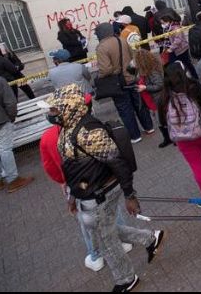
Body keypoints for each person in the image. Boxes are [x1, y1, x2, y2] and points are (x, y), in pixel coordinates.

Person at [52, 84, 164, 292]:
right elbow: (70, 165)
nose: (51, 114)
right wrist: (72, 196)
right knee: (106, 230)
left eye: (55, 109)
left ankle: (126, 279)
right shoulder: (68, 127)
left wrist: (130, 195)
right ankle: (151, 238)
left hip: (101, 193)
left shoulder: (89, 133)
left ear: (70, 107)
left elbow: (118, 162)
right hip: (86, 192)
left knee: (105, 240)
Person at [39, 93, 134, 273]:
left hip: (80, 188)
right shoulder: (91, 127)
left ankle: (96, 254)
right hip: (103, 182)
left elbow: (49, 166)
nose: (51, 113)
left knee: (87, 222)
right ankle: (123, 241)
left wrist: (63, 183)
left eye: (53, 109)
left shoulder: (50, 137)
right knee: (111, 212)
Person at [162, 62, 201, 196]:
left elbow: (163, 121)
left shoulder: (165, 95)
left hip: (183, 140)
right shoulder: (195, 87)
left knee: (198, 169)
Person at [0, 56, 34, 192]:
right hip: (0, 122)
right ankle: (13, 179)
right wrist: (10, 118)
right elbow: (11, 103)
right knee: (4, 150)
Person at [95, 23, 155, 143]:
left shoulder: (101, 47)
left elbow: (105, 69)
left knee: (125, 109)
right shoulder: (121, 40)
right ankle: (149, 127)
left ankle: (135, 136)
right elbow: (133, 57)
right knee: (139, 104)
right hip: (132, 77)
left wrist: (101, 76)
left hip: (117, 83)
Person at [134, 49, 173, 148]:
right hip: (152, 101)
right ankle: (168, 138)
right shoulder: (145, 70)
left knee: (163, 120)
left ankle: (171, 138)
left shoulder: (152, 71)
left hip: (157, 99)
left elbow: (159, 84)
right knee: (160, 121)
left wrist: (145, 88)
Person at [158, 12, 197, 79]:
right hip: (173, 50)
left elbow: (178, 40)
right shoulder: (167, 29)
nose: (162, 25)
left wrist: (171, 48)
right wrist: (165, 48)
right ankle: (181, 77)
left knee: (187, 64)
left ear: (168, 21)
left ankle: (195, 77)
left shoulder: (176, 27)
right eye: (161, 23)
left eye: (163, 23)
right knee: (173, 64)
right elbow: (167, 40)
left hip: (181, 49)